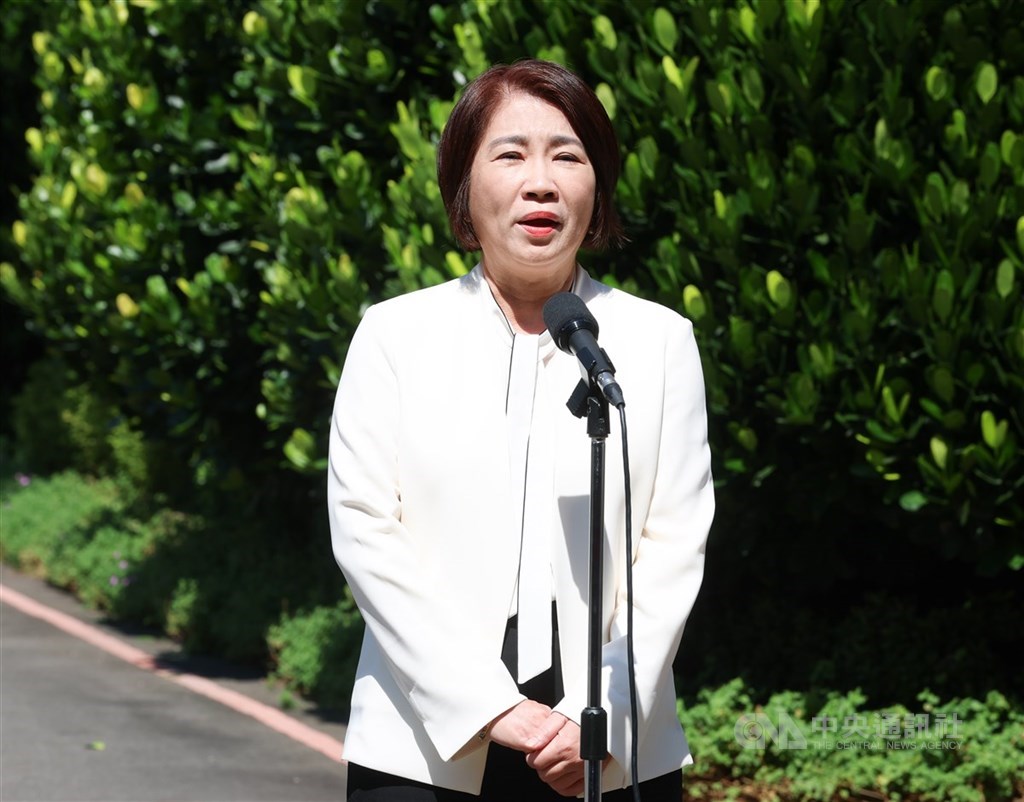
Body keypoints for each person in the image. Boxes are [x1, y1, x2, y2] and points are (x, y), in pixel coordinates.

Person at [328, 59, 715, 800]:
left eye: (567, 156)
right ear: (464, 187)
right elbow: (365, 531)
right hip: (422, 741)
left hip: (608, 746)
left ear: (596, 191)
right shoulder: (395, 335)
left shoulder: (658, 340)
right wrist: (487, 704)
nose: (541, 182)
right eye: (510, 155)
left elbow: (673, 546)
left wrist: (602, 715)